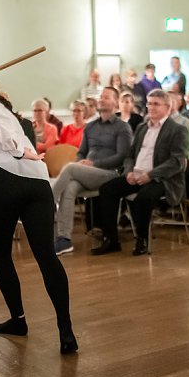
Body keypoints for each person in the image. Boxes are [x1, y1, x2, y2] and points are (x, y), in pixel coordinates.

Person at [0, 51, 77, 355]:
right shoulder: (0, 103)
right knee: (47, 257)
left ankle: (18, 320)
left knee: (1, 255)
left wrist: (16, 150)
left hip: (5, 180)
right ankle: (66, 331)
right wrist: (21, 152)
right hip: (36, 180)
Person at [94, 89, 188, 256]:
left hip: (162, 179)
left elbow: (177, 162)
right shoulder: (142, 128)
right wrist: (129, 172)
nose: (151, 107)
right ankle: (111, 239)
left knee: (143, 198)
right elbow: (130, 155)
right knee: (106, 190)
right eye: (149, 103)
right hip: (136, 175)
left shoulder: (177, 130)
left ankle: (142, 239)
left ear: (167, 106)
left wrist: (150, 175)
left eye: (156, 104)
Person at [52, 87, 132, 255]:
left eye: (106, 97)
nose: (101, 99)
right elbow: (82, 151)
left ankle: (46, 203)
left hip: (110, 174)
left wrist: (93, 163)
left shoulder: (122, 127)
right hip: (88, 173)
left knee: (70, 168)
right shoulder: (90, 127)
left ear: (116, 103)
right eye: (101, 96)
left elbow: (121, 157)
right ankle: (64, 239)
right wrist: (81, 162)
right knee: (69, 187)